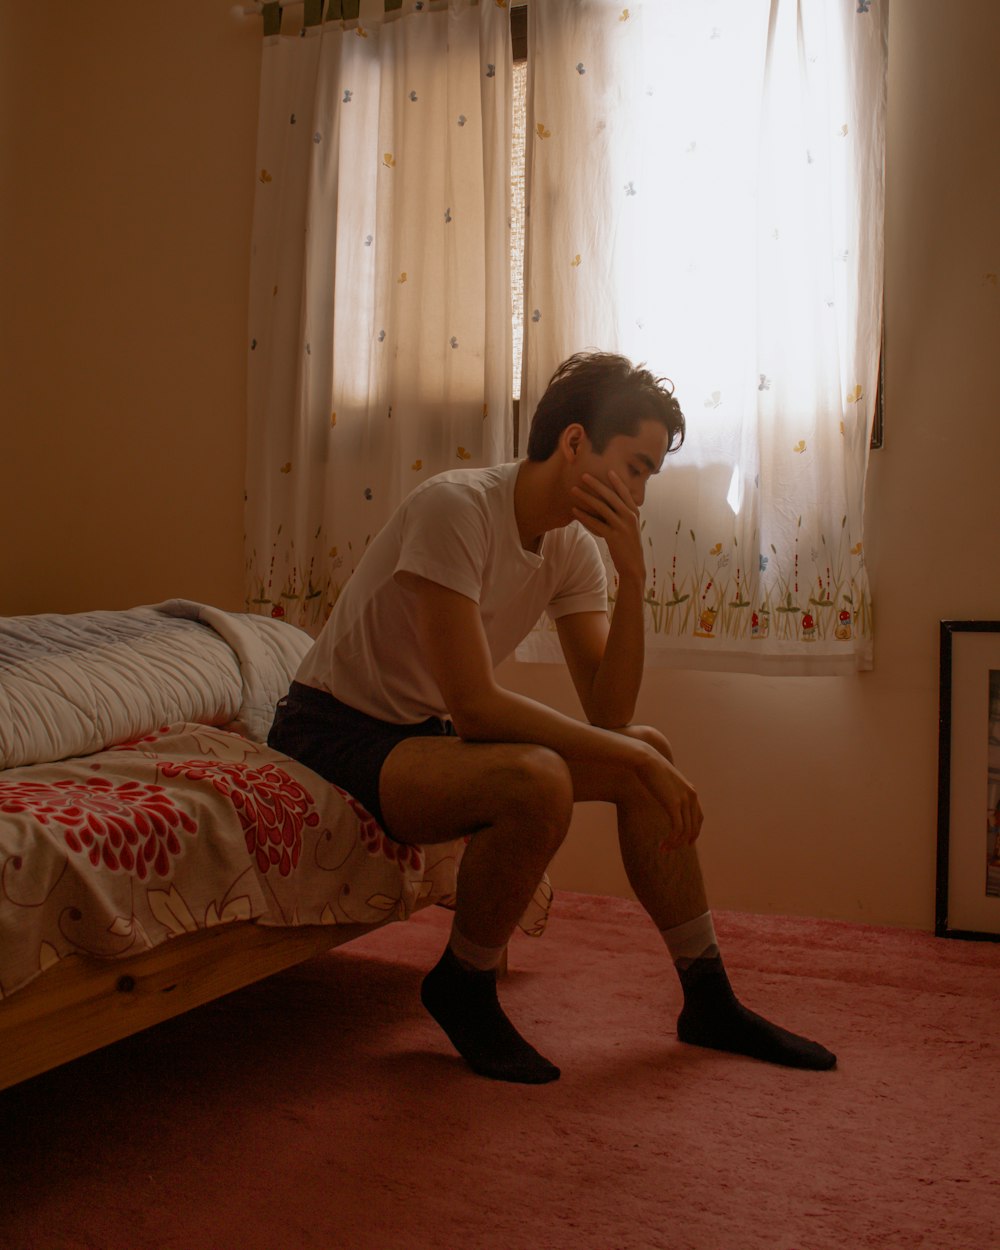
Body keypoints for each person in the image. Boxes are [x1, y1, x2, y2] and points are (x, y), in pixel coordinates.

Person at [269, 351, 836, 1084]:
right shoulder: (456, 508)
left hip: (418, 735)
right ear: (574, 443)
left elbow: (609, 711)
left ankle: (708, 998)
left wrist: (634, 579)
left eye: (648, 476)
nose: (638, 492)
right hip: (333, 733)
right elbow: (475, 707)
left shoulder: (573, 548)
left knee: (647, 745)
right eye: (634, 467)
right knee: (540, 779)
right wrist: (629, 756)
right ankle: (462, 985)